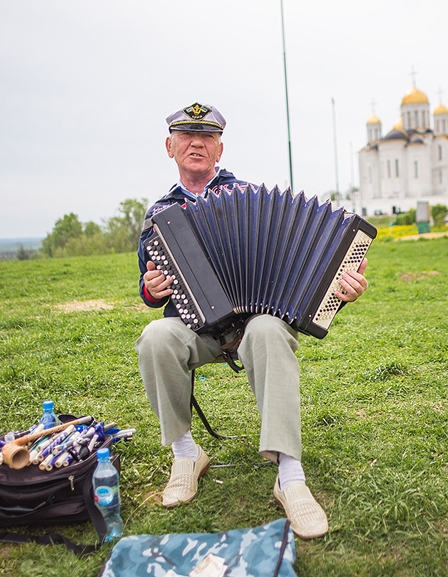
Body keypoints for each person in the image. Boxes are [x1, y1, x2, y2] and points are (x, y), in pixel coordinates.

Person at [136, 101, 369, 539]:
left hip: (253, 323)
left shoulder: (246, 197)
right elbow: (147, 290)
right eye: (187, 136)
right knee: (155, 337)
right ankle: (186, 454)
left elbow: (303, 254)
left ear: (219, 150)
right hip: (197, 329)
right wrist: (153, 287)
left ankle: (290, 474)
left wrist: (342, 287)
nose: (197, 144)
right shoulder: (158, 216)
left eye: (207, 137)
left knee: (266, 328)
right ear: (170, 146)